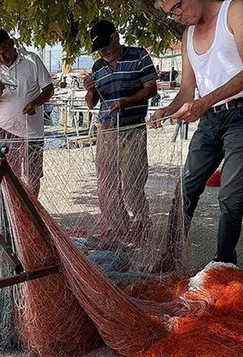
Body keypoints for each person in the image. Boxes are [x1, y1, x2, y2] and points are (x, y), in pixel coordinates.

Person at [149, 0, 243, 265]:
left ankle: (223, 262)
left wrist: (205, 102)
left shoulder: (234, 9)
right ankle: (169, 258)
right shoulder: (187, 35)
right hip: (211, 118)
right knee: (186, 189)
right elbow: (187, 90)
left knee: (230, 195)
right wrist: (168, 110)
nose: (177, 16)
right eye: (170, 14)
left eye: (177, 7)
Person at [83, 20, 158, 238]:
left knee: (133, 182)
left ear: (116, 37)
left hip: (132, 128)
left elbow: (151, 88)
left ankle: (143, 224)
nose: (103, 53)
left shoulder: (138, 55)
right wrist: (89, 90)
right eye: (99, 50)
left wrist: (127, 101)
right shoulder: (98, 67)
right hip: (107, 130)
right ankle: (118, 228)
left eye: (105, 47)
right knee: (106, 183)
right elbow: (91, 103)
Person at [0, 29, 54, 197]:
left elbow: (49, 89)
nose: (2, 59)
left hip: (33, 133)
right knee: (8, 175)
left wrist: (35, 103)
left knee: (33, 176)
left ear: (11, 44)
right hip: (6, 132)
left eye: (4, 53)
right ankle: (14, 214)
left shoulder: (32, 60)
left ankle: (31, 213)